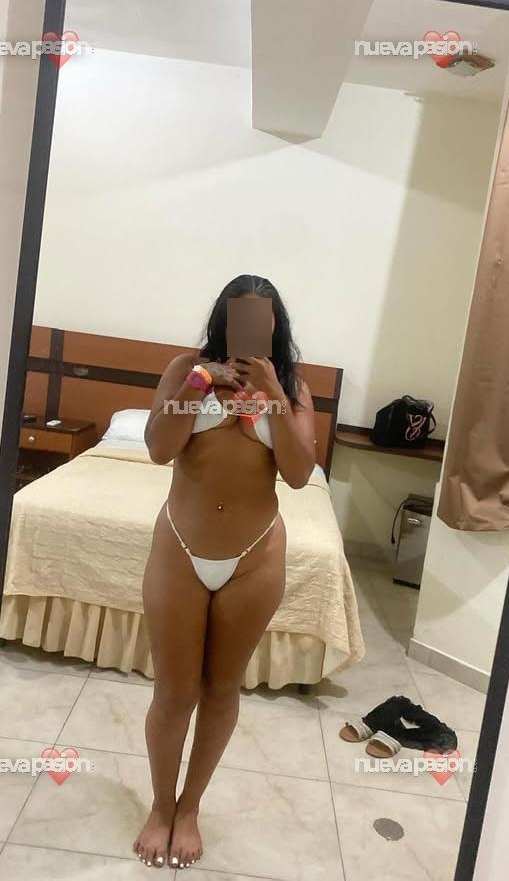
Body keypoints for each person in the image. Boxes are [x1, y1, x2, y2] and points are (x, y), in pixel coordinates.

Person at [133, 274, 316, 869]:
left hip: (254, 558)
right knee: (174, 692)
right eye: (239, 318)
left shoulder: (293, 387)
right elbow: (159, 448)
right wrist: (200, 384)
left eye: (261, 320)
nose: (249, 330)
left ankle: (190, 808)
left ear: (275, 325)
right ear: (222, 320)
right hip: (180, 550)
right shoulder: (186, 369)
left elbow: (299, 474)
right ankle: (161, 807)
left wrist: (274, 395)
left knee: (220, 690)